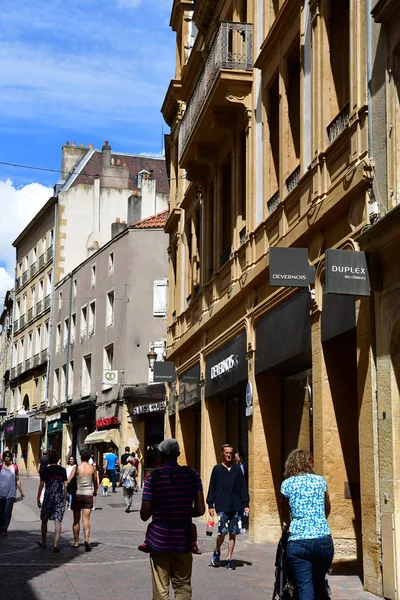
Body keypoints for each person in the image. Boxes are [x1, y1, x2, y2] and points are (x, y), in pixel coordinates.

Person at [140, 438, 205, 600]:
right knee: (182, 585)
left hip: (159, 540)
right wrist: (182, 511)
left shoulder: (153, 478)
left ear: (160, 456)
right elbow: (200, 509)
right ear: (178, 455)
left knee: (161, 589)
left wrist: (162, 509)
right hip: (183, 539)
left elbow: (144, 515)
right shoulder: (192, 475)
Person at [280, 449, 334, 600]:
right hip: (323, 541)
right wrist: (317, 522)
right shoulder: (320, 481)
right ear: (309, 463)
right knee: (318, 584)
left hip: (298, 542)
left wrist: (292, 525)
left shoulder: (287, 484)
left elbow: (284, 515)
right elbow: (327, 508)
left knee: (304, 587)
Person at [207, 443, 249, 570]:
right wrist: (210, 504)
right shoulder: (217, 469)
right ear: (222, 454)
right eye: (226, 453)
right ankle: (217, 550)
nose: (229, 455)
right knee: (222, 532)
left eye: (231, 453)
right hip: (222, 505)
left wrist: (246, 503)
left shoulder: (237, 469)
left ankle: (229, 558)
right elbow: (212, 487)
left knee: (233, 533)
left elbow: (242, 486)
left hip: (235, 506)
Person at [68, 448, 99, 551]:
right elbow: (95, 482)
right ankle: (86, 540)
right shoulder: (93, 468)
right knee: (86, 519)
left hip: (78, 494)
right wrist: (95, 492)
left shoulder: (76, 468)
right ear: (89, 457)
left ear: (80, 457)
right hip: (88, 494)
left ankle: (76, 542)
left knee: (76, 519)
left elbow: (68, 481)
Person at [36, 450, 67, 552]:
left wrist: (38, 496)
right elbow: (65, 485)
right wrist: (65, 497)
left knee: (44, 519)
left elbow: (42, 484)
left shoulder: (46, 470)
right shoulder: (62, 470)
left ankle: (43, 541)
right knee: (57, 520)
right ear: (58, 459)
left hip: (48, 496)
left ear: (49, 459)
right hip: (59, 497)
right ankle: (55, 544)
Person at [0, 450, 25, 536]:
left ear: (11, 457)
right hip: (1, 493)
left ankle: (4, 529)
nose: (7, 457)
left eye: (8, 456)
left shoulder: (15, 467)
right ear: (3, 458)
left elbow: (17, 479)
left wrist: (21, 491)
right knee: (1, 512)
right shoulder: (0, 467)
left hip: (10, 493)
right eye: (5, 456)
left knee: (7, 512)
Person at [235, 450, 249, 532]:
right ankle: (239, 523)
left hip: (245, 490)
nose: (235, 459)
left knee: (245, 507)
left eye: (236, 457)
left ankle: (244, 524)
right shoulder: (235, 466)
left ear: (240, 457)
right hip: (237, 491)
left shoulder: (246, 465)